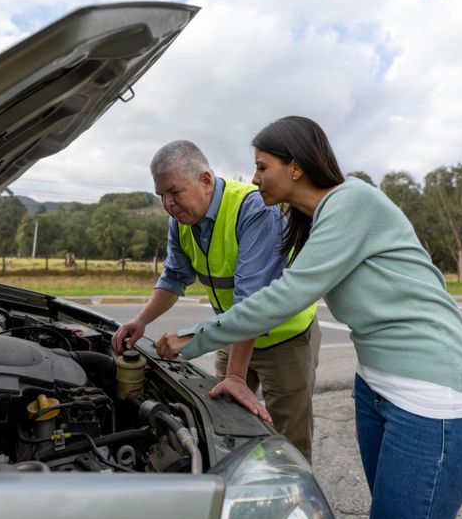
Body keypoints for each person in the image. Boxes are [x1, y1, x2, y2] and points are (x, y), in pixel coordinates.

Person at [155, 117, 462, 519]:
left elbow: (286, 295)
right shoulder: (309, 220)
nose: (254, 178)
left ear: (294, 166)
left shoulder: (352, 201)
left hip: (433, 398)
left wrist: (191, 338)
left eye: (262, 166)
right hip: (376, 388)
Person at [111, 140, 320, 461]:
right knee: (221, 423)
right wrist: (141, 321)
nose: (168, 204)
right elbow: (173, 278)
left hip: (285, 338)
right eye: (161, 196)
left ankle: (292, 502)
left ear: (206, 181)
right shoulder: (181, 219)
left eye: (174, 192)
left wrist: (236, 376)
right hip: (232, 333)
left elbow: (252, 300)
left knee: (286, 436)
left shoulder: (254, 209)